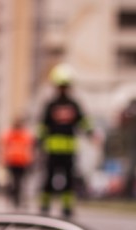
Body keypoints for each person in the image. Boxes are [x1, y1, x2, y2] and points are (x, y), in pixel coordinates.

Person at [37, 64, 93, 219]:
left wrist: (91, 133)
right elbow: (43, 125)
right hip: (53, 149)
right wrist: (39, 141)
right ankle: (45, 206)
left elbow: (84, 122)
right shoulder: (51, 105)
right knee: (49, 179)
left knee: (68, 180)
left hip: (68, 149)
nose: (63, 89)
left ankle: (67, 207)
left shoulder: (73, 104)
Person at [0, 117, 35, 210]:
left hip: (18, 161)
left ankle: (16, 198)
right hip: (16, 161)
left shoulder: (12, 134)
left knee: (17, 181)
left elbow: (29, 148)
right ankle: (15, 198)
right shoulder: (23, 135)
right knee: (17, 181)